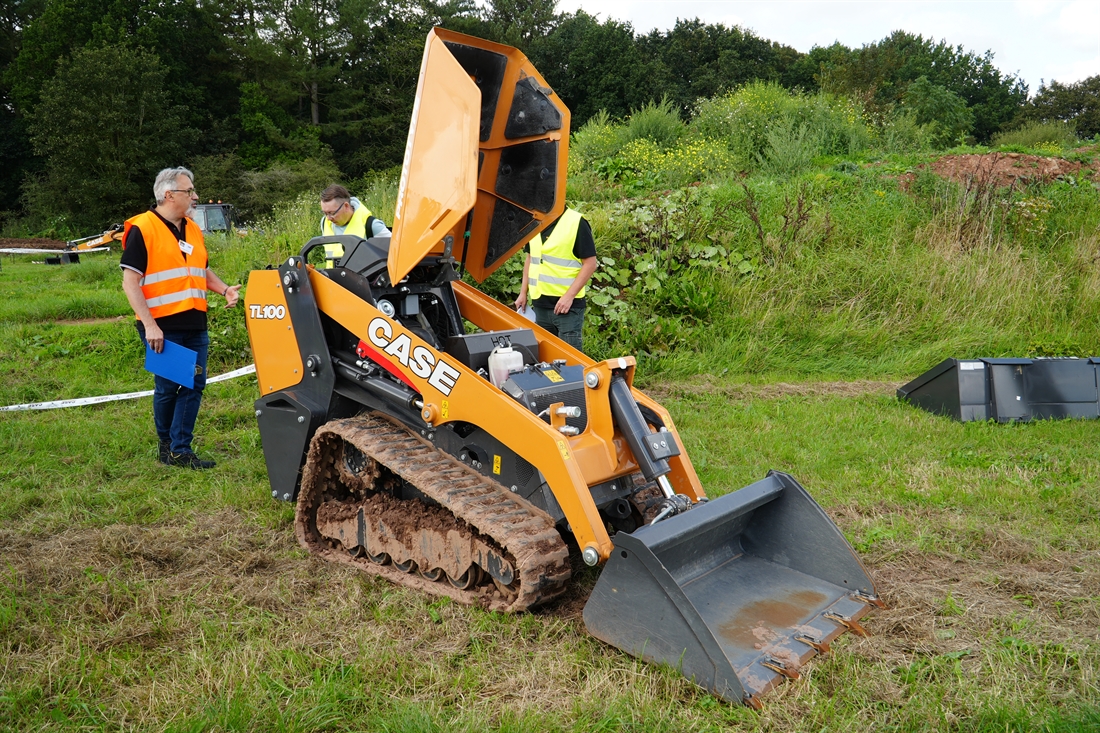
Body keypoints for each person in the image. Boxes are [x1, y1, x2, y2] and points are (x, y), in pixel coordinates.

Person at [120, 167, 241, 469]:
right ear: (169, 194)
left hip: (195, 323)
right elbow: (130, 282)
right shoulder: (143, 228)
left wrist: (224, 289)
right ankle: (170, 447)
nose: (195, 196)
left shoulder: (192, 228)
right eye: (190, 191)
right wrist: (150, 325)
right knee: (169, 386)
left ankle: (179, 448)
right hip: (162, 327)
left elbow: (200, 270)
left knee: (194, 384)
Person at [514, 208, 598, 352]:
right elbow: (531, 258)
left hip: (567, 308)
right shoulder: (534, 221)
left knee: (570, 360)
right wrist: (523, 292)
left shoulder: (576, 222)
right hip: (539, 305)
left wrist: (569, 297)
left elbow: (590, 264)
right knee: (543, 360)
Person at [319, 184, 391, 266]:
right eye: (325, 213)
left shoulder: (371, 225)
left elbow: (398, 250)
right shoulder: (325, 223)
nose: (328, 218)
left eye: (332, 213)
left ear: (346, 206)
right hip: (331, 278)